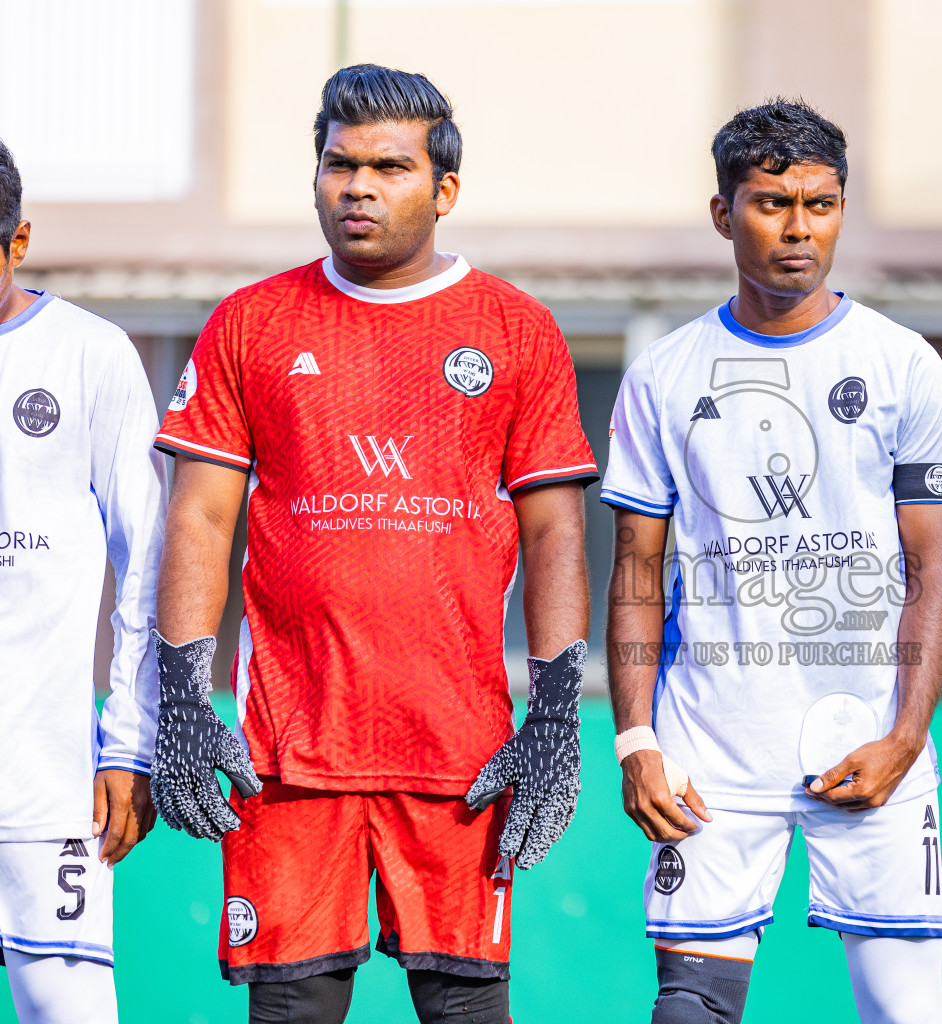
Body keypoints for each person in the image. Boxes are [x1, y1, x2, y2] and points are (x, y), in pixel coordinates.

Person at [150, 65, 595, 1024]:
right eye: (338, 164)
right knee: (293, 1012)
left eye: (389, 167)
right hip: (286, 755)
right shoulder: (251, 323)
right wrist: (180, 696)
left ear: (444, 190)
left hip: (461, 756)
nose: (357, 186)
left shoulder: (515, 329)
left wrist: (557, 714)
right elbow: (198, 518)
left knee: (467, 1012)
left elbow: (555, 527)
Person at [602, 99, 942, 1024]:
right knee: (689, 1011)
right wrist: (636, 741)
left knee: (906, 1013)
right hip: (708, 754)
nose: (798, 228)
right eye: (770, 204)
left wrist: (906, 737)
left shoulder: (904, 365)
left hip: (869, 750)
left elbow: (931, 575)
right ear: (725, 214)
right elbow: (637, 573)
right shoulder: (664, 376)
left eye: (821, 204)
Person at [0, 139, 167, 1023]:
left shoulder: (90, 356)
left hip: (45, 780)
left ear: (17, 240)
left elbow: (148, 562)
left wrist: (127, 745)